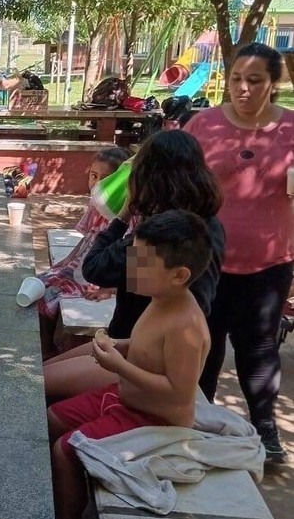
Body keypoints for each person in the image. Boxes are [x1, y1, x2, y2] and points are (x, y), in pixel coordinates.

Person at [47, 209, 212, 519]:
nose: (131, 268)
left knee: (64, 451)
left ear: (179, 275)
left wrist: (120, 365)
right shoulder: (161, 299)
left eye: (142, 262)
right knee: (49, 417)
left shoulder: (186, 326)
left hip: (155, 419)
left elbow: (179, 392)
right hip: (124, 397)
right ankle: (59, 499)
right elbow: (148, 347)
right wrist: (121, 345)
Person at [43, 130, 224, 401]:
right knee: (42, 371)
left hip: (141, 360)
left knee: (37, 385)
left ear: (147, 179)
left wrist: (124, 213)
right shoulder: (208, 225)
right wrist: (118, 287)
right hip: (133, 346)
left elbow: (94, 269)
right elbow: (142, 282)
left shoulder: (160, 235)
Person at [183, 43, 294, 463]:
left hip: (270, 264)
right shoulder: (203, 125)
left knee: (259, 348)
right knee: (203, 345)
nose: (243, 89)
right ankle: (199, 423)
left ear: (273, 84)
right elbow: (178, 185)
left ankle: (265, 431)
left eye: (255, 80)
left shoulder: (291, 129)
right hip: (204, 261)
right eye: (236, 80)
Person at [36, 148, 130, 356]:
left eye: (105, 179)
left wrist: (111, 290)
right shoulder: (95, 206)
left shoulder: (128, 217)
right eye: (93, 176)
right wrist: (64, 262)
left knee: (52, 298)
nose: (97, 184)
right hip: (81, 263)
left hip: (98, 277)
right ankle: (44, 348)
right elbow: (86, 237)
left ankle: (51, 352)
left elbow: (132, 265)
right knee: (40, 284)